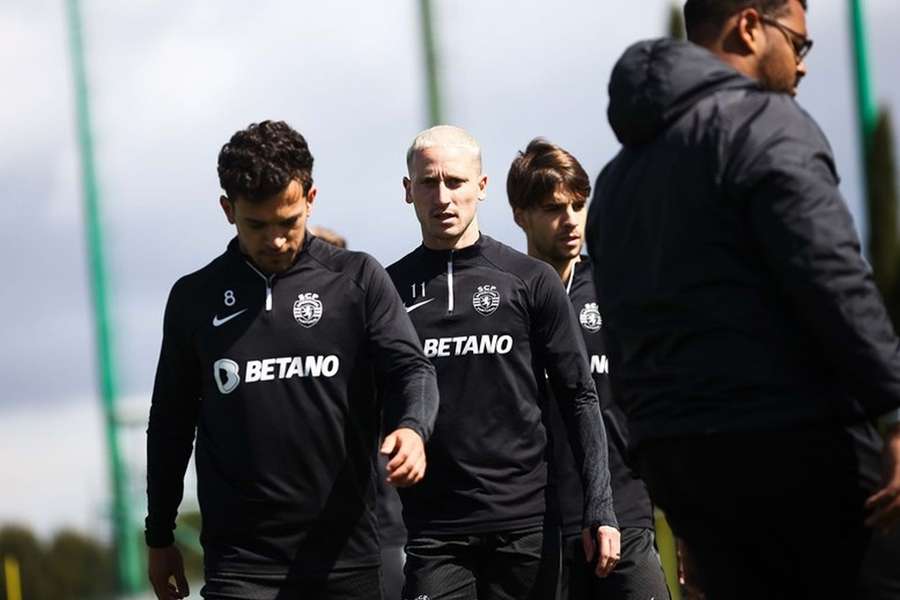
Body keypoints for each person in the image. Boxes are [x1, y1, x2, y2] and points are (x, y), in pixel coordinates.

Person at [586, 1, 900, 597]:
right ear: (750, 26)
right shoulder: (766, 122)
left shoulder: (617, 181)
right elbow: (830, 277)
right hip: (800, 447)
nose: (803, 67)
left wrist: (682, 506)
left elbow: (625, 347)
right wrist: (894, 409)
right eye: (799, 44)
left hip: (685, 467)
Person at [144, 120, 439, 600]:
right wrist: (159, 535)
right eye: (256, 225)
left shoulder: (357, 279)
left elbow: (411, 369)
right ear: (227, 210)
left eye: (289, 222)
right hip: (240, 566)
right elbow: (170, 425)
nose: (276, 239)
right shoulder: (194, 299)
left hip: (346, 559)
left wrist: (413, 427)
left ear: (311, 199)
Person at [387, 125, 620, 600]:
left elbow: (580, 397)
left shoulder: (529, 279)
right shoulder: (386, 291)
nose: (443, 197)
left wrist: (600, 508)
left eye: (455, 181)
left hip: (527, 525)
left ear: (482, 187)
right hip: (435, 530)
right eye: (429, 183)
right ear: (408, 190)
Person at [508, 138, 670, 600]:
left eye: (579, 205)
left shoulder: (615, 287)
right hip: (539, 521)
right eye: (554, 208)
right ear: (521, 214)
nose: (571, 220)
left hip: (626, 507)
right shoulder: (505, 298)